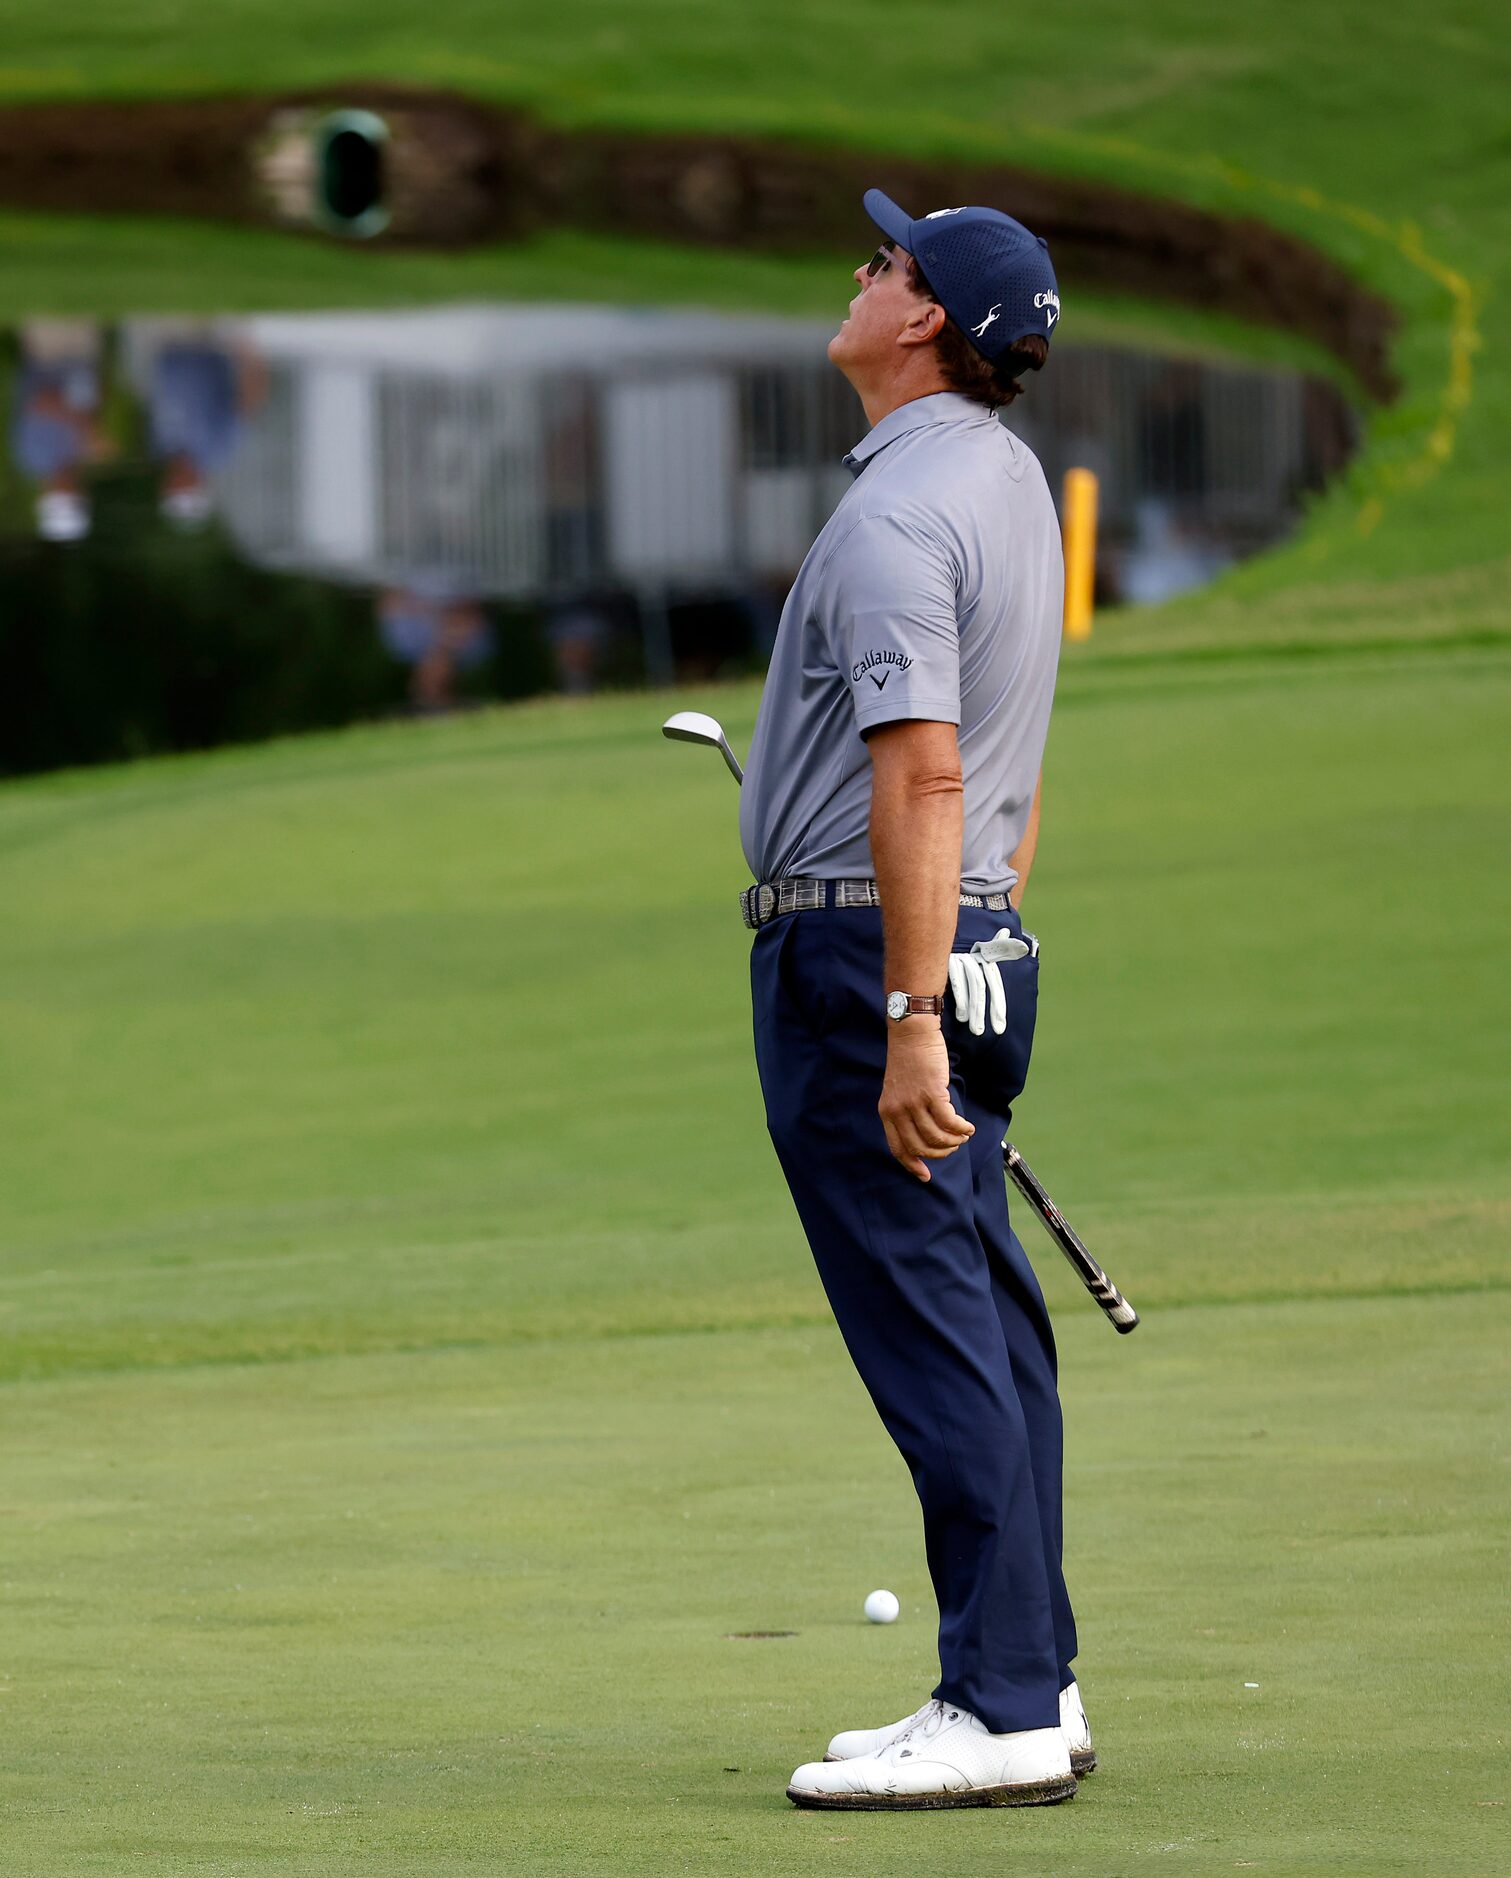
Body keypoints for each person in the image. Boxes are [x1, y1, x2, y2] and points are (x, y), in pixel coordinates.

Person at [738, 190, 1089, 1811]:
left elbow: (926, 764)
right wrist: (978, 945)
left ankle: (1002, 1701)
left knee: (934, 1324)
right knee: (992, 1316)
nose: (861, 274)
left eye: (884, 264)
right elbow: (1005, 751)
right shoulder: (1005, 480)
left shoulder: (894, 516)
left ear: (927, 320)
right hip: (978, 933)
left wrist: (902, 1015)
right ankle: (1034, 1671)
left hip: (867, 955)